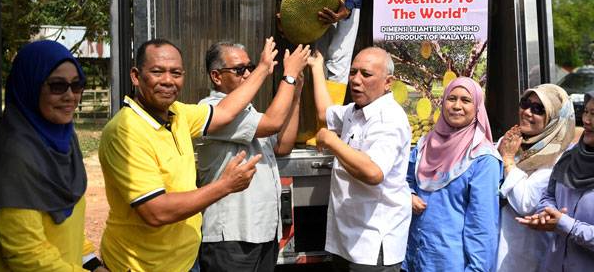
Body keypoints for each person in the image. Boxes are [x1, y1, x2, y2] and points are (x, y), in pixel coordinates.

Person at [98, 37, 278, 271]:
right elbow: (156, 211)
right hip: (144, 266)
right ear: (135, 76)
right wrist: (225, 185)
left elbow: (224, 112)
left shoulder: (178, 114)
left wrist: (263, 69)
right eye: (157, 71)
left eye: (176, 73)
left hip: (186, 260)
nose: (167, 81)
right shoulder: (125, 131)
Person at [0, 40, 105, 271]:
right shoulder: (18, 154)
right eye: (57, 86)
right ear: (31, 86)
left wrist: (89, 261)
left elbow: (66, 217)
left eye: (77, 84)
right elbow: (24, 251)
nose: (70, 96)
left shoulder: (64, 140)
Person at [194, 42, 309, 271]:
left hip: (263, 233)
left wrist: (295, 95)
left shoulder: (249, 111)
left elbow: (282, 145)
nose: (248, 74)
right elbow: (273, 123)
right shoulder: (212, 109)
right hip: (232, 238)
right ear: (216, 76)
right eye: (239, 70)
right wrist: (288, 76)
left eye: (250, 67)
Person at [309, 47, 412, 271]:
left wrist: (332, 141)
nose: (356, 80)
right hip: (348, 240)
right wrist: (317, 68)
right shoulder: (355, 111)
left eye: (366, 74)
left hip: (372, 244)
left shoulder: (389, 119)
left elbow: (373, 172)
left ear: (388, 82)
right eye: (353, 72)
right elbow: (324, 114)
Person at [517, 83, 594, 271]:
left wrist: (567, 225)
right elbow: (549, 195)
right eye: (585, 111)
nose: (585, 119)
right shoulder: (572, 154)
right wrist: (547, 214)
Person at [403, 77, 502, 272]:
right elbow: (404, 180)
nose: (457, 106)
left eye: (466, 100)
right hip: (413, 258)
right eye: (451, 99)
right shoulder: (424, 146)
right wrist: (410, 194)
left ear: (477, 108)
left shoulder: (482, 158)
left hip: (451, 263)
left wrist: (477, 269)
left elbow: (482, 226)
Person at [286, 0, 365, 144]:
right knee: (315, 62)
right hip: (313, 7)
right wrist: (287, 9)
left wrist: (346, 8)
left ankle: (328, 129)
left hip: (342, 4)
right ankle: (315, 127)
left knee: (338, 62)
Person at [496, 84, 575, 272]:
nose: (527, 112)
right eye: (525, 104)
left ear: (554, 118)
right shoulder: (510, 143)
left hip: (527, 255)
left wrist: (507, 160)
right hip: (495, 247)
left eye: (538, 109)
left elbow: (526, 203)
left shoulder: (558, 159)